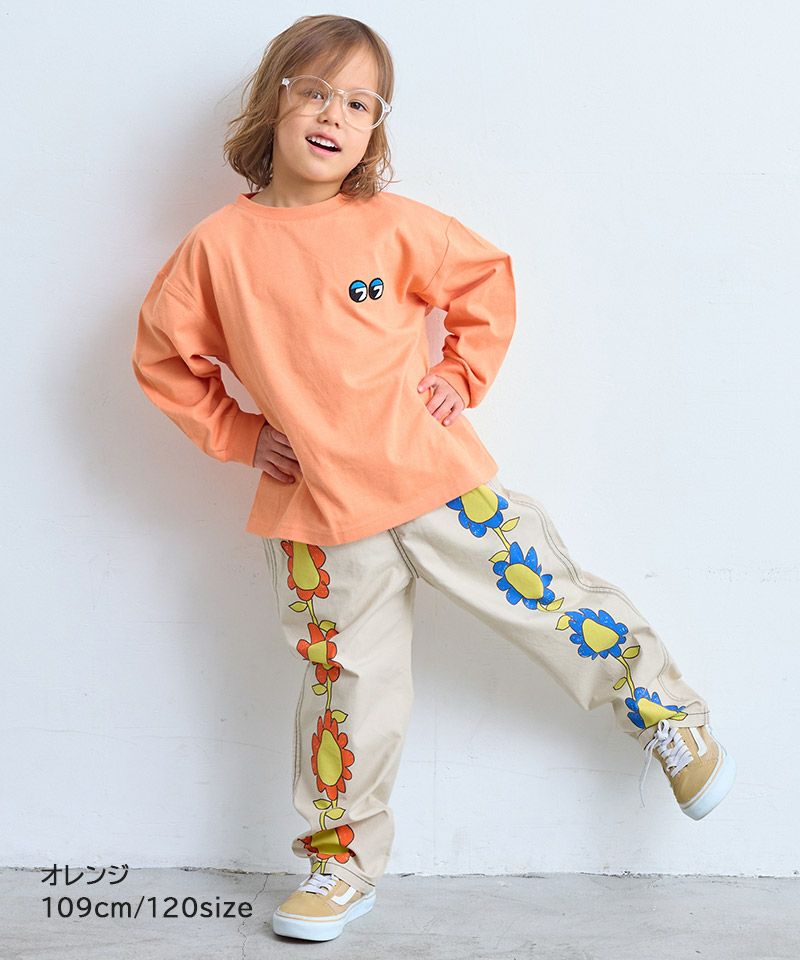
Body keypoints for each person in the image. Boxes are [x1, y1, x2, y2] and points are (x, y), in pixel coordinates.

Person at [131, 13, 736, 944]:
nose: (334, 115)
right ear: (273, 102)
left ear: (376, 128)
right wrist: (241, 435)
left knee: (549, 602)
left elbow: (486, 281)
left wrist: (460, 373)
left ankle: (669, 714)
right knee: (347, 695)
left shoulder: (391, 225)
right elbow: (164, 358)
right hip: (318, 518)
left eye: (360, 103)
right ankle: (340, 865)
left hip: (438, 481)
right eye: (315, 92)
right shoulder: (216, 250)